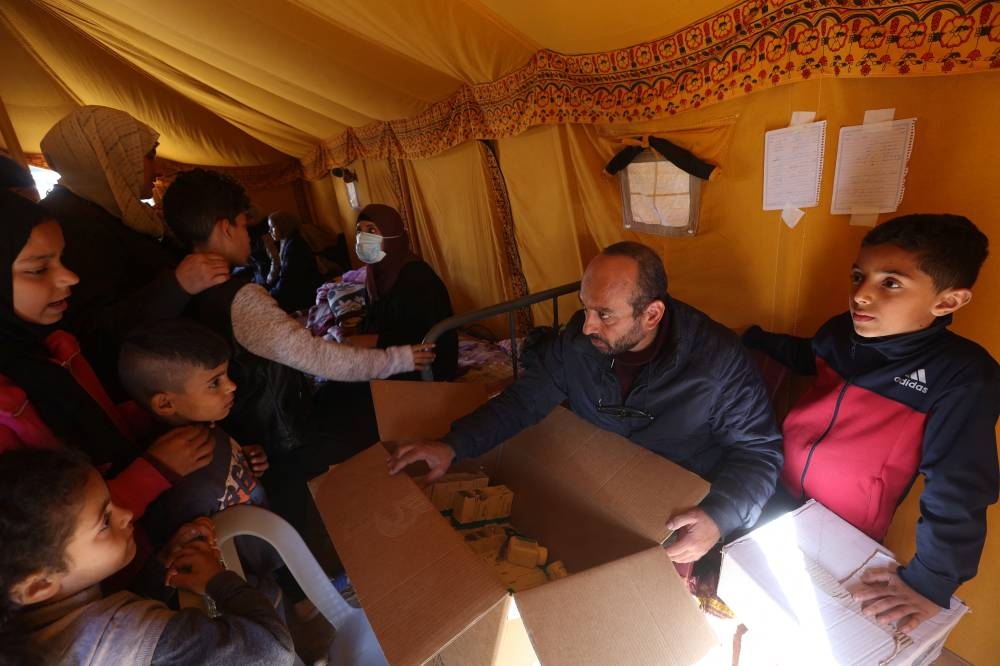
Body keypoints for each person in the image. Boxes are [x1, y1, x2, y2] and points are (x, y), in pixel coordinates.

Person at [389, 241, 783, 563]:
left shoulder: (719, 361)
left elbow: (759, 451)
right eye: (584, 306)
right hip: (603, 490)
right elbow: (524, 401)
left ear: (652, 314)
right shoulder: (578, 344)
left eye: (604, 314)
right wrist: (453, 444)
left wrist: (718, 516)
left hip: (676, 503)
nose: (587, 324)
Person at [743, 214, 999, 633]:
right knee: (751, 596)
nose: (860, 295)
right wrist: (751, 339)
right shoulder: (842, 332)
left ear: (947, 302)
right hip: (774, 484)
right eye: (859, 276)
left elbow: (960, 485)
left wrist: (932, 580)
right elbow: (809, 354)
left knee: (812, 624)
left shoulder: (962, 376)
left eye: (890, 283)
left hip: (843, 528)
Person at [0, 191, 213, 520]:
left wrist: (161, 411)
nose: (70, 277)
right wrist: (154, 470)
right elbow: (36, 533)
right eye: (39, 269)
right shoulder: (7, 401)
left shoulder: (55, 347)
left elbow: (100, 422)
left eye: (61, 259)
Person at [0, 447, 296, 665]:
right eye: (104, 521)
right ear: (38, 586)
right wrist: (217, 580)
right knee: (267, 594)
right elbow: (273, 650)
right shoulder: (126, 640)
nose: (127, 514)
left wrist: (162, 563)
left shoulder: (25, 624)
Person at [40, 106, 231, 391]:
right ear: (111, 158)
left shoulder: (109, 212)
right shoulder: (72, 226)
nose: (157, 169)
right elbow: (93, 333)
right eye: (149, 156)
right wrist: (177, 285)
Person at [118, 319, 268, 545]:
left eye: (226, 374)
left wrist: (245, 459)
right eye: (214, 383)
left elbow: (225, 478)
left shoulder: (202, 424)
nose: (231, 386)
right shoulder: (183, 487)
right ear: (166, 404)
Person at [354, 204, 459, 381]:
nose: (362, 237)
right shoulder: (376, 273)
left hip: (426, 362)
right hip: (395, 356)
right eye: (359, 230)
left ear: (392, 234)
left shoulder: (416, 276)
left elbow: (422, 334)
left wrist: (372, 342)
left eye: (371, 230)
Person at [267, 210, 324, 313]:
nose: (270, 231)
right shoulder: (289, 241)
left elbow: (288, 280)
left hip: (305, 295)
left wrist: (270, 294)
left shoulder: (294, 246)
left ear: (283, 226)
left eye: (272, 227)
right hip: (299, 289)